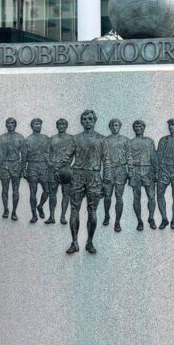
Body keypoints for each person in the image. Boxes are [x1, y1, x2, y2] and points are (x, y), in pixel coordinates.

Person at [66, 109, 110, 255]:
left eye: (90, 119)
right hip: (77, 175)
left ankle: (90, 242)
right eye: (84, 119)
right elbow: (67, 158)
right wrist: (61, 171)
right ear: (81, 121)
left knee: (92, 211)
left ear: (95, 120)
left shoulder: (102, 139)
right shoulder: (75, 138)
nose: (87, 121)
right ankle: (74, 242)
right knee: (74, 209)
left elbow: (107, 161)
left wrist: (106, 181)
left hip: (94, 176)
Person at [156, 118, 174, 229]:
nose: (170, 127)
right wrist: (158, 170)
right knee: (160, 194)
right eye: (169, 125)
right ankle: (164, 218)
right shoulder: (164, 140)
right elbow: (158, 155)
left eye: (173, 124)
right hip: (164, 169)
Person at [102, 117, 130, 231]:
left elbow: (129, 156)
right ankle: (107, 215)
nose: (114, 127)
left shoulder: (125, 140)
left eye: (116, 125)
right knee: (107, 195)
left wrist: (131, 170)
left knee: (119, 196)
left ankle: (117, 222)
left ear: (120, 126)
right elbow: (103, 156)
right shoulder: (105, 140)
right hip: (109, 169)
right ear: (109, 127)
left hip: (121, 170)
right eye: (112, 125)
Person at [129, 119, 157, 230]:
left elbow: (154, 156)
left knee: (151, 196)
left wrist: (156, 171)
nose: (138, 129)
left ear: (143, 128)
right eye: (136, 127)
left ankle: (151, 218)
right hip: (136, 171)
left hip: (148, 170)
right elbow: (129, 158)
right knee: (136, 197)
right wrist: (130, 171)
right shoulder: (130, 142)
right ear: (134, 129)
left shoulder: (149, 141)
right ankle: (139, 221)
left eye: (140, 127)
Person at [47, 118, 76, 225]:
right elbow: (47, 153)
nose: (61, 125)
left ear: (66, 126)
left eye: (63, 124)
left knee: (66, 193)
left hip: (66, 169)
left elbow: (73, 153)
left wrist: (67, 165)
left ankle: (63, 216)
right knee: (52, 193)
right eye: (59, 124)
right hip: (53, 169)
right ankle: (51, 216)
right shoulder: (52, 138)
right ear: (56, 126)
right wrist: (50, 163)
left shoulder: (71, 138)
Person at [0, 117, 26, 220]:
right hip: (4, 166)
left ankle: (14, 211)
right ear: (6, 125)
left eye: (12, 123)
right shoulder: (1, 138)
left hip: (16, 165)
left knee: (15, 190)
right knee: (4, 190)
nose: (10, 125)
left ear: (15, 125)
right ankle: (6, 209)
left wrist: (23, 169)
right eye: (8, 123)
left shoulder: (20, 137)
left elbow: (24, 154)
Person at [24, 118, 51, 222]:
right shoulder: (27, 140)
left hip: (43, 167)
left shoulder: (46, 138)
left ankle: (40, 206)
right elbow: (24, 157)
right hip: (32, 166)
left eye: (40, 123)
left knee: (47, 191)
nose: (38, 125)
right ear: (32, 126)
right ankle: (34, 214)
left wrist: (49, 165)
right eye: (36, 123)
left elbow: (48, 153)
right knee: (33, 192)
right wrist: (24, 169)